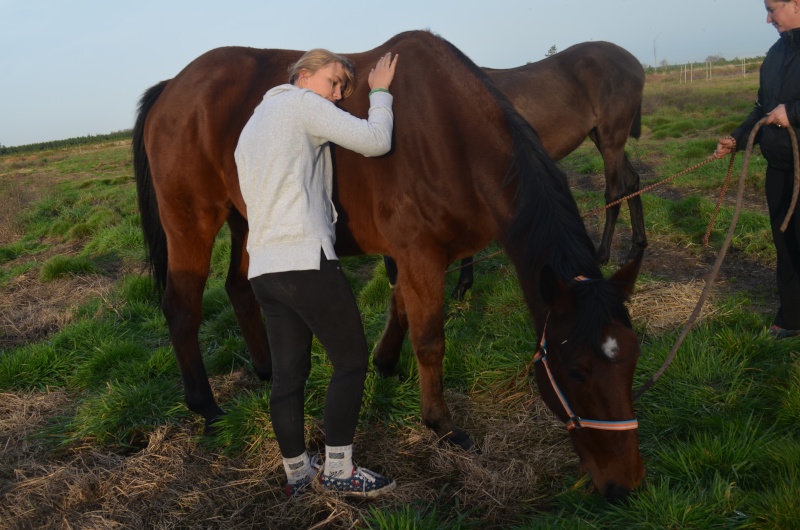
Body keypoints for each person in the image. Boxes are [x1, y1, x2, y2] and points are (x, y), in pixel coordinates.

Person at [234, 48, 399, 497]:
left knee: (289, 376)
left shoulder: (253, 124)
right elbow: (375, 141)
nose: (340, 94)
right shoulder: (304, 105)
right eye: (334, 81)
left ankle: (299, 476)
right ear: (304, 75)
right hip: (304, 260)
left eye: (346, 86)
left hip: (263, 268)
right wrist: (379, 93)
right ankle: (341, 470)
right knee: (350, 360)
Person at [715, 0, 800, 339]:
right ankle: (792, 317)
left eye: (771, 8)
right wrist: (736, 138)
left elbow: (783, 110)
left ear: (795, 3)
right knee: (786, 244)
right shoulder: (775, 54)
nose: (767, 18)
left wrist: (793, 112)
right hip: (779, 168)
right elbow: (762, 110)